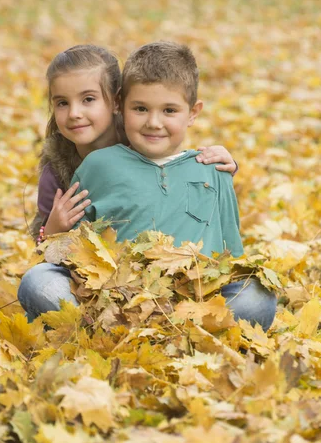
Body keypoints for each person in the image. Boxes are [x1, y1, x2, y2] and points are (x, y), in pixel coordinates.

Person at [19, 43, 241, 317]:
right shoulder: (57, 170)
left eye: (88, 100)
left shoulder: (143, 135)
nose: (75, 113)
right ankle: (96, 323)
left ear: (116, 103)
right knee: (38, 282)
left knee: (251, 296)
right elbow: (52, 251)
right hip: (95, 275)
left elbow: (175, 170)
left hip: (167, 270)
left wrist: (223, 165)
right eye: (62, 103)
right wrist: (51, 230)